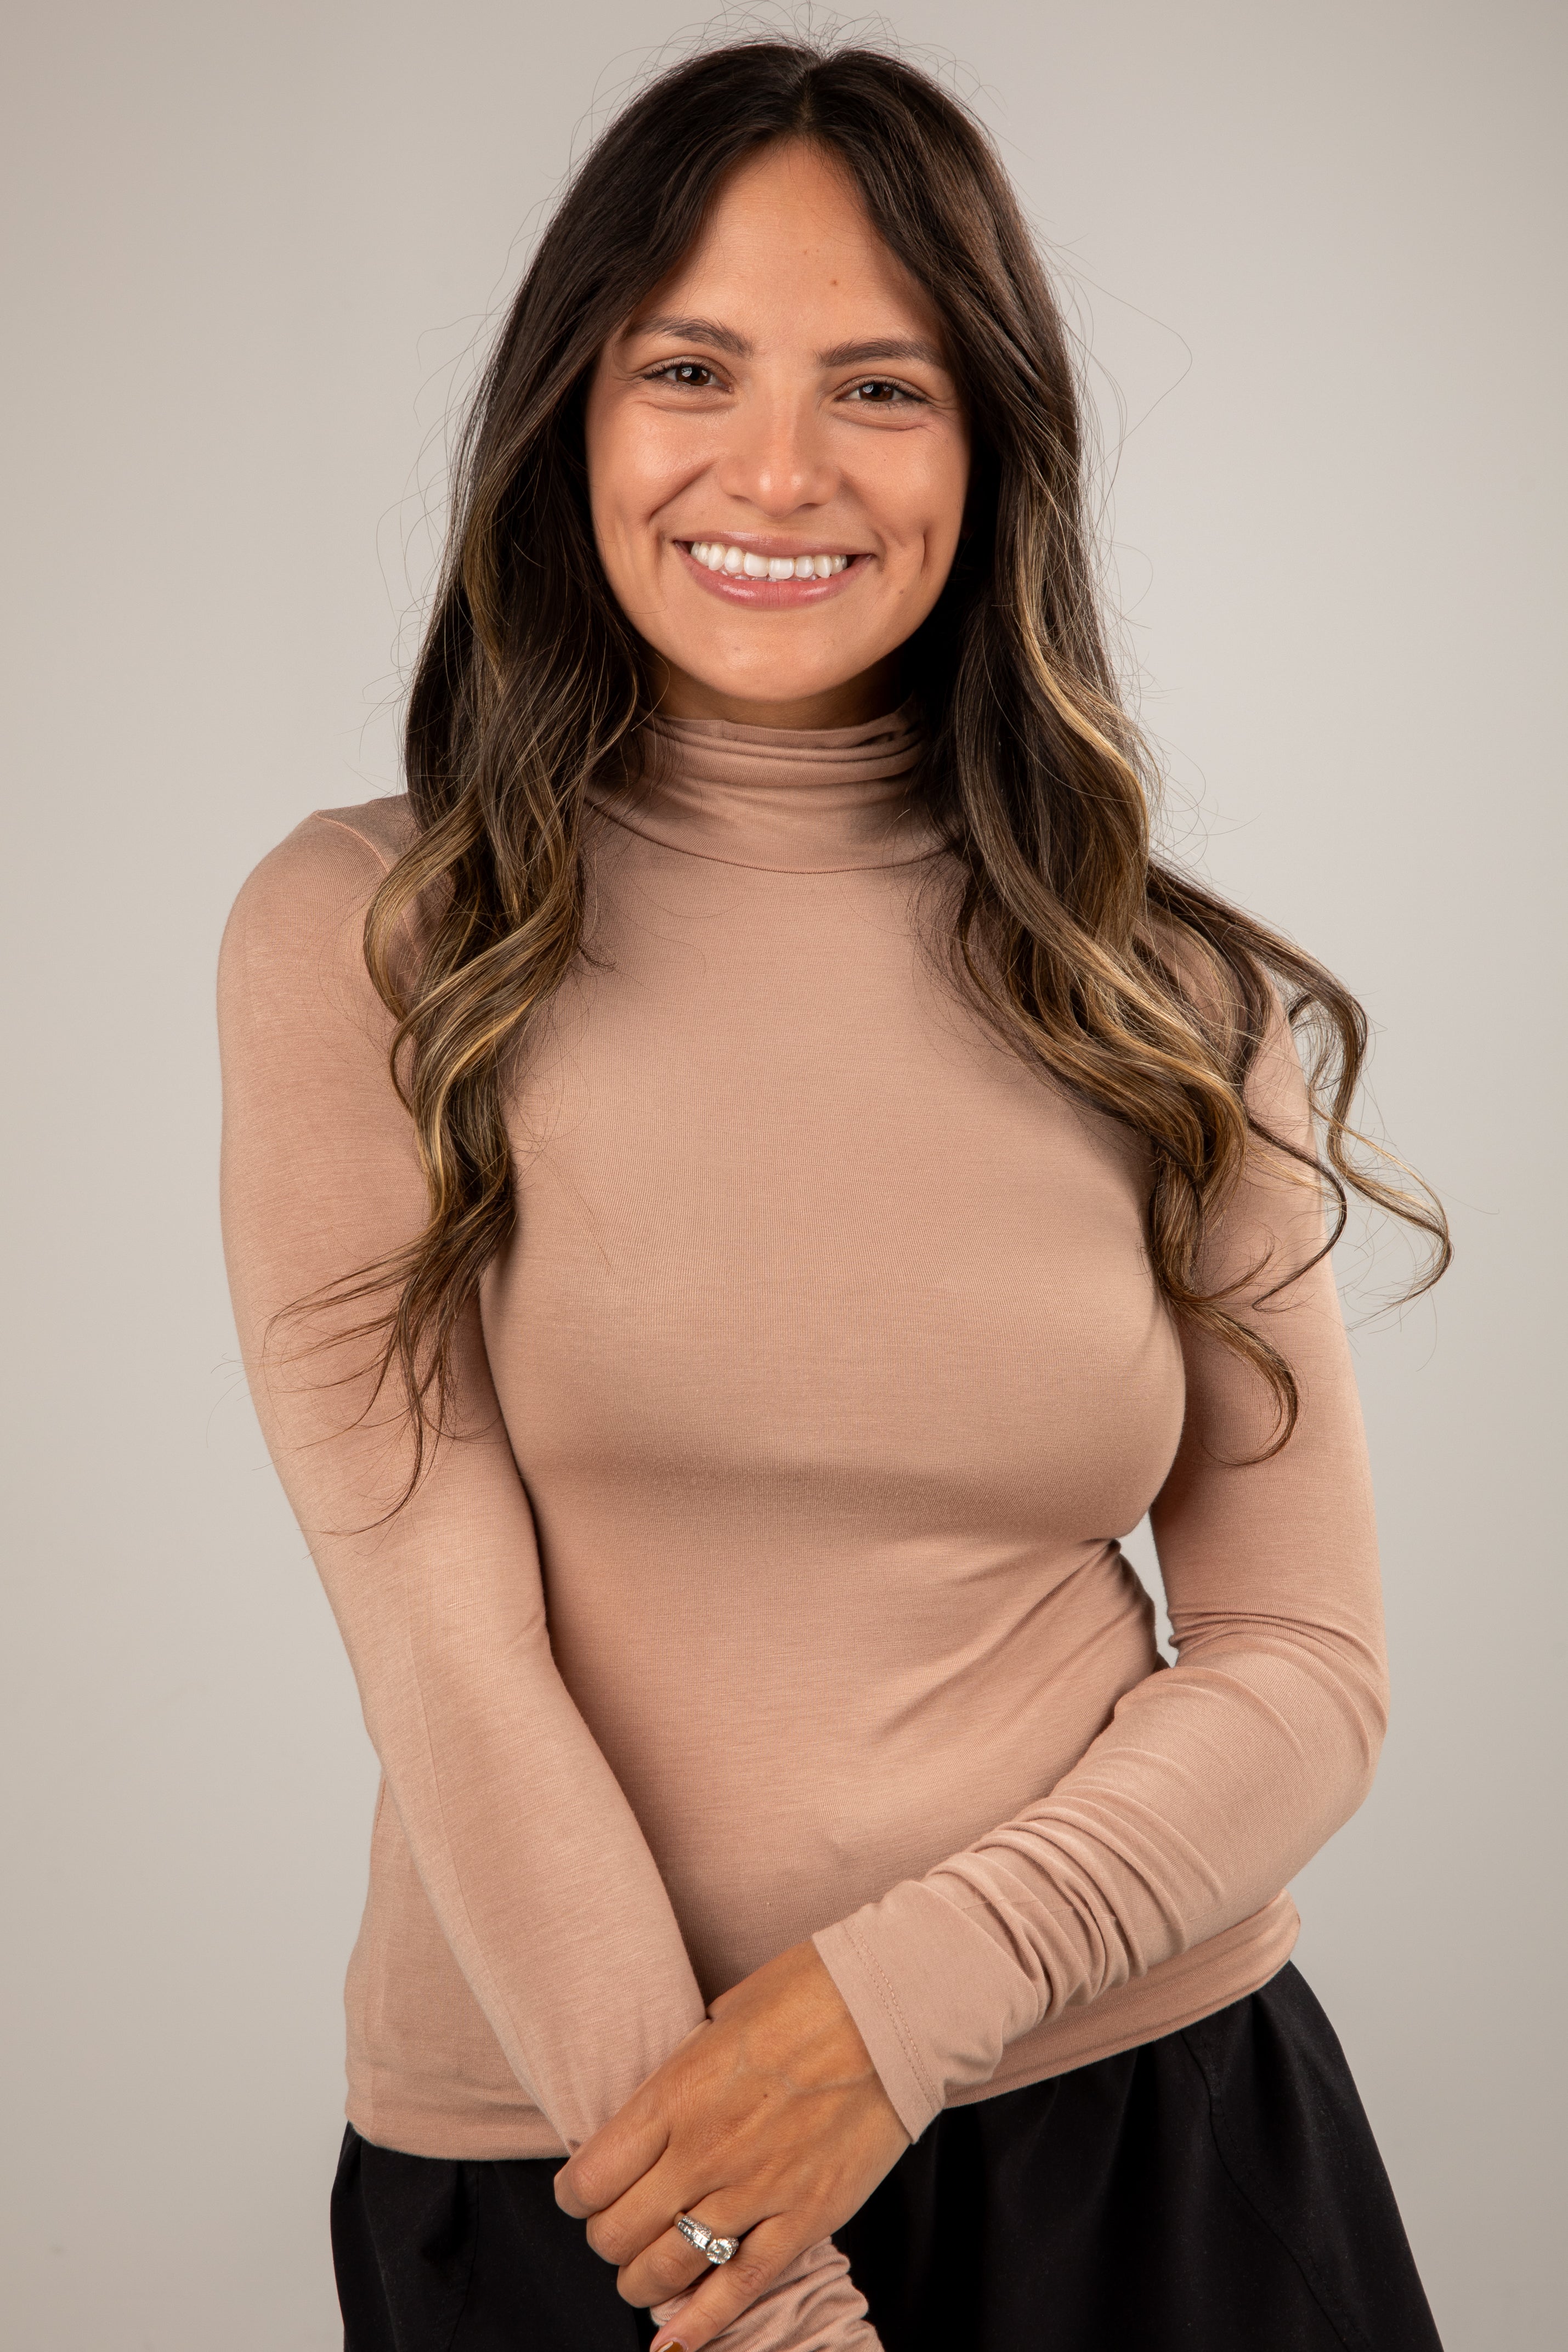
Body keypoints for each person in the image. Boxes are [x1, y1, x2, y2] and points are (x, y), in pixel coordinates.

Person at [218, 37, 1449, 2352]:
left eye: (879, 387)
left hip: (1149, 2130)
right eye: (689, 365)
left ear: (987, 452)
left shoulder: (1156, 987)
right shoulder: (372, 935)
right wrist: (748, 2278)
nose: (773, 466)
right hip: (593, 2188)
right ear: (570, 410)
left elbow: (1310, 1666)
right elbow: (445, 1647)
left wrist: (893, 2004)